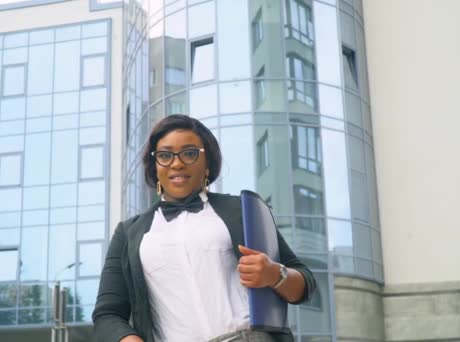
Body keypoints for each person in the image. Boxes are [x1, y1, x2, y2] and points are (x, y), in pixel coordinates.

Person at [93, 114, 316, 342]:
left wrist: (274, 274)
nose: (177, 163)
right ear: (155, 165)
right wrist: (128, 339)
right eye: (165, 155)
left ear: (207, 162)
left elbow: (305, 284)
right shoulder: (129, 233)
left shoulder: (242, 209)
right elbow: (107, 313)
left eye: (189, 153)